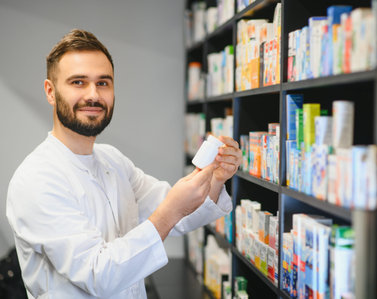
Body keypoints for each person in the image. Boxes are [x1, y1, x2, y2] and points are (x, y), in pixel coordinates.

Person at [6, 29, 242, 299]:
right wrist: (168, 213)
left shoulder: (112, 160)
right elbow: (99, 274)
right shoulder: (37, 178)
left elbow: (178, 211)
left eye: (103, 83)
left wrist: (216, 176)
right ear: (50, 91)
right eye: (78, 82)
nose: (93, 95)